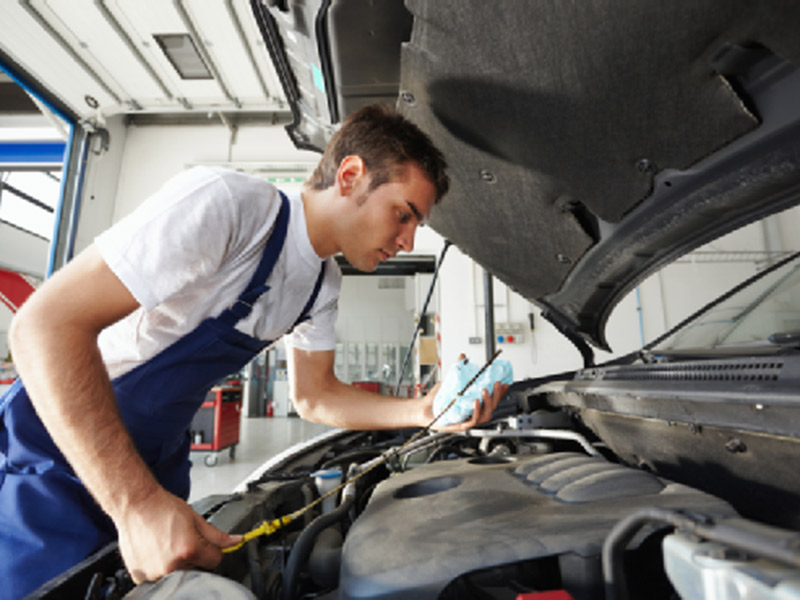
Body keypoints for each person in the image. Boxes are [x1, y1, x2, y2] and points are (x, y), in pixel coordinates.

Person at [0, 105, 507, 597]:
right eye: (403, 214)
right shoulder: (230, 207)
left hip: (156, 459)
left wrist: (423, 411)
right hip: (62, 447)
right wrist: (135, 504)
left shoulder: (321, 286)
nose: (407, 240)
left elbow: (315, 396)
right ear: (350, 175)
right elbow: (43, 326)